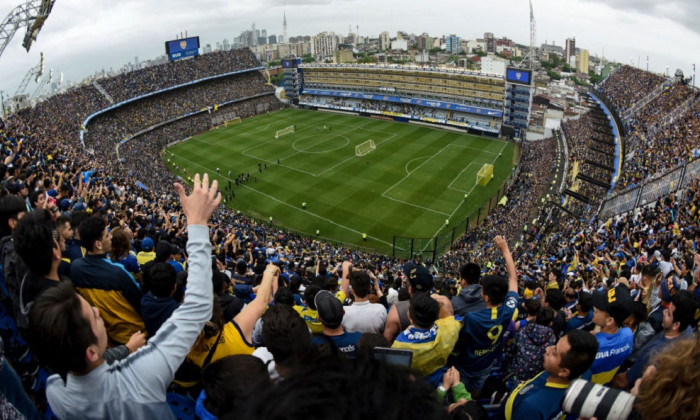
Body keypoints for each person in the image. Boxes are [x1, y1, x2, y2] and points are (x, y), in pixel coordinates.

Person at [26, 173, 220, 419]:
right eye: (93, 316)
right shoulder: (142, 373)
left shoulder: (55, 389)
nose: (97, 311)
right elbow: (198, 307)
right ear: (91, 352)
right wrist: (198, 222)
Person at [455, 236, 518, 397]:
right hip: (487, 363)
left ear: (486, 296)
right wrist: (505, 250)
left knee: (460, 391)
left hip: (467, 364)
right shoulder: (508, 310)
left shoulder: (471, 318)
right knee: (477, 388)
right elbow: (513, 278)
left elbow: (459, 338)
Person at [69, 215, 145, 345]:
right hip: (131, 336)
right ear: (98, 244)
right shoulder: (118, 273)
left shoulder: (75, 268)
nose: (111, 237)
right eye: (107, 235)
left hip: (104, 335)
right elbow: (139, 301)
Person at [494, 329, 599, 420]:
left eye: (554, 353)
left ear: (563, 372)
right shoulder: (583, 374)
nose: (548, 349)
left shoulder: (532, 408)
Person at [612, 290, 696, 389]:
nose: (664, 312)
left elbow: (624, 381)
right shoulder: (688, 330)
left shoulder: (654, 354)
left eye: (668, 313)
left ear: (676, 325)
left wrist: (610, 380)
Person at [391, 292, 461, 385]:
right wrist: (441, 305)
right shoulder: (449, 330)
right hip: (439, 382)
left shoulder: (399, 344)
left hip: (415, 388)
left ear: (411, 319)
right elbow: (453, 319)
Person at [589, 284, 633, 385]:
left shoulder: (591, 347)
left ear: (609, 321)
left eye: (599, 309)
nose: (594, 308)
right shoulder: (628, 335)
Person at [342, 270, 387, 334]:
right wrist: (377, 289)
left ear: (352, 291)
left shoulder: (343, 312)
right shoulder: (380, 309)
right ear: (370, 288)